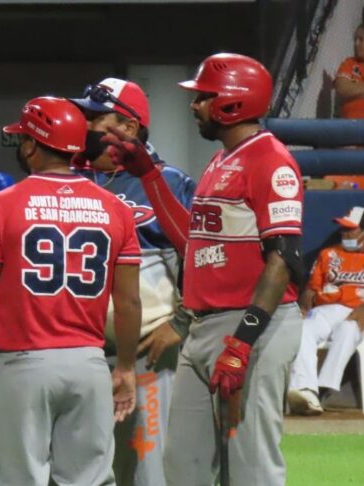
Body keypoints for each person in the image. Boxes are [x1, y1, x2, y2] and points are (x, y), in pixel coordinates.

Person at [103, 53, 305, 486]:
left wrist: (243, 341)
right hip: (205, 325)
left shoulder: (271, 160)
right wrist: (150, 177)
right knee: (184, 466)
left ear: (232, 102)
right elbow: (191, 245)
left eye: (204, 97)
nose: (194, 105)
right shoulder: (222, 160)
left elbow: (283, 260)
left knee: (251, 466)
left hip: (252, 324)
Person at [0, 96, 142, 486]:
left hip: (24, 364)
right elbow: (128, 301)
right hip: (89, 364)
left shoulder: (2, 205)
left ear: (31, 145)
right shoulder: (116, 208)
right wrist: (125, 365)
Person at [69, 77, 195, 486]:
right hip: (76, 349)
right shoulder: (68, 178)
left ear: (129, 127)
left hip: (146, 350)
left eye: (95, 117)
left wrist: (182, 321)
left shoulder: (170, 182)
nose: (85, 124)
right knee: (78, 464)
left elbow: (203, 258)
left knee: (146, 465)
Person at [288, 206, 364, 415]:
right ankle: (304, 389)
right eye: (343, 229)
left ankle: (321, 391)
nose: (345, 234)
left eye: (351, 229)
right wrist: (304, 306)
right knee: (303, 329)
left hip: (357, 313)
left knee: (348, 330)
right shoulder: (328, 254)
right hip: (325, 310)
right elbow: (311, 289)